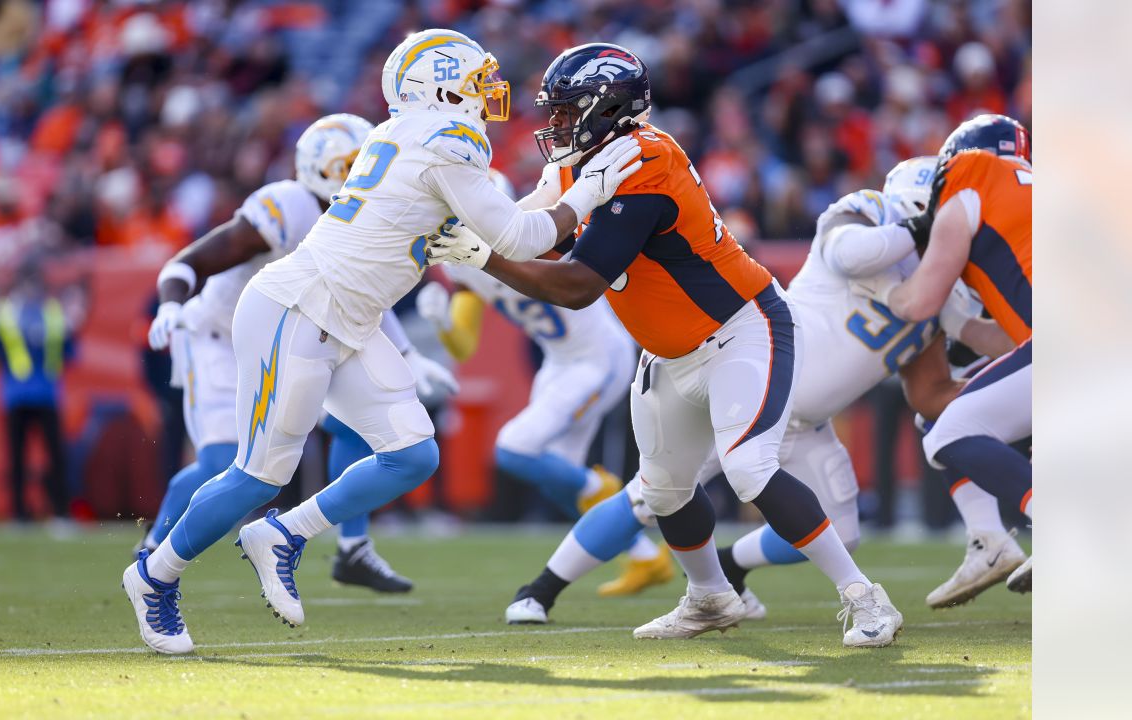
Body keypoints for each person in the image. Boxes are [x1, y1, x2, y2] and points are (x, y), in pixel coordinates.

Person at [122, 28, 643, 654]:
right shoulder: (450, 142)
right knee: (258, 473)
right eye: (477, 81)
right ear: (441, 87)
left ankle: (284, 536)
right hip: (299, 306)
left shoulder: (410, 135)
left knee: (413, 453)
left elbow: (510, 221)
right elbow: (526, 239)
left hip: (349, 316)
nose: (489, 92)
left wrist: (565, 178)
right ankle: (154, 575)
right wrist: (590, 186)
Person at [429, 43, 902, 647]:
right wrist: (457, 226)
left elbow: (578, 285)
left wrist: (481, 258)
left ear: (610, 108)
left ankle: (866, 599)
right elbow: (528, 232)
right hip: (671, 351)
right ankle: (708, 598)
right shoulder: (586, 161)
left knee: (749, 467)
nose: (556, 125)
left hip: (742, 330)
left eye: (569, 110)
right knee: (664, 488)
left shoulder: (644, 163)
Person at [501, 155, 1010, 623]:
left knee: (842, 532)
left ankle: (729, 567)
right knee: (654, 493)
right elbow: (857, 255)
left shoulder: (940, 288)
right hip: (759, 375)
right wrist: (921, 230)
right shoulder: (862, 217)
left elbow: (940, 374)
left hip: (808, 421)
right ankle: (540, 588)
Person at [135, 114, 450, 593]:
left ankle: (353, 547)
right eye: (352, 163)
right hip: (223, 338)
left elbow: (357, 296)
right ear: (320, 167)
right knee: (226, 463)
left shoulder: (360, 217)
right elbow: (188, 262)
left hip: (300, 336)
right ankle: (154, 552)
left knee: (353, 426)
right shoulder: (288, 204)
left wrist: (408, 352)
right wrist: (171, 304)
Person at [418, 170, 670, 596]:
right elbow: (463, 346)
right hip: (559, 363)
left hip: (598, 358)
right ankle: (646, 558)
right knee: (558, 480)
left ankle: (598, 487)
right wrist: (442, 323)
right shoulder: (463, 265)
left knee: (516, 449)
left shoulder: (536, 234)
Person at [852, 114, 1033, 594]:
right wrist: (957, 322)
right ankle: (989, 539)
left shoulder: (968, 174)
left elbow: (919, 302)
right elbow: (1010, 339)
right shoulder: (1027, 194)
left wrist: (878, 290)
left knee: (949, 432)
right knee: (942, 416)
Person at [0, 261, 77, 531]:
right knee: (19, 455)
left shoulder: (50, 312)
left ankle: (58, 512)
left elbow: (68, 350)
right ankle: (21, 514)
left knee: (54, 456)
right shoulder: (9, 312)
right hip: (22, 393)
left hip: (41, 393)